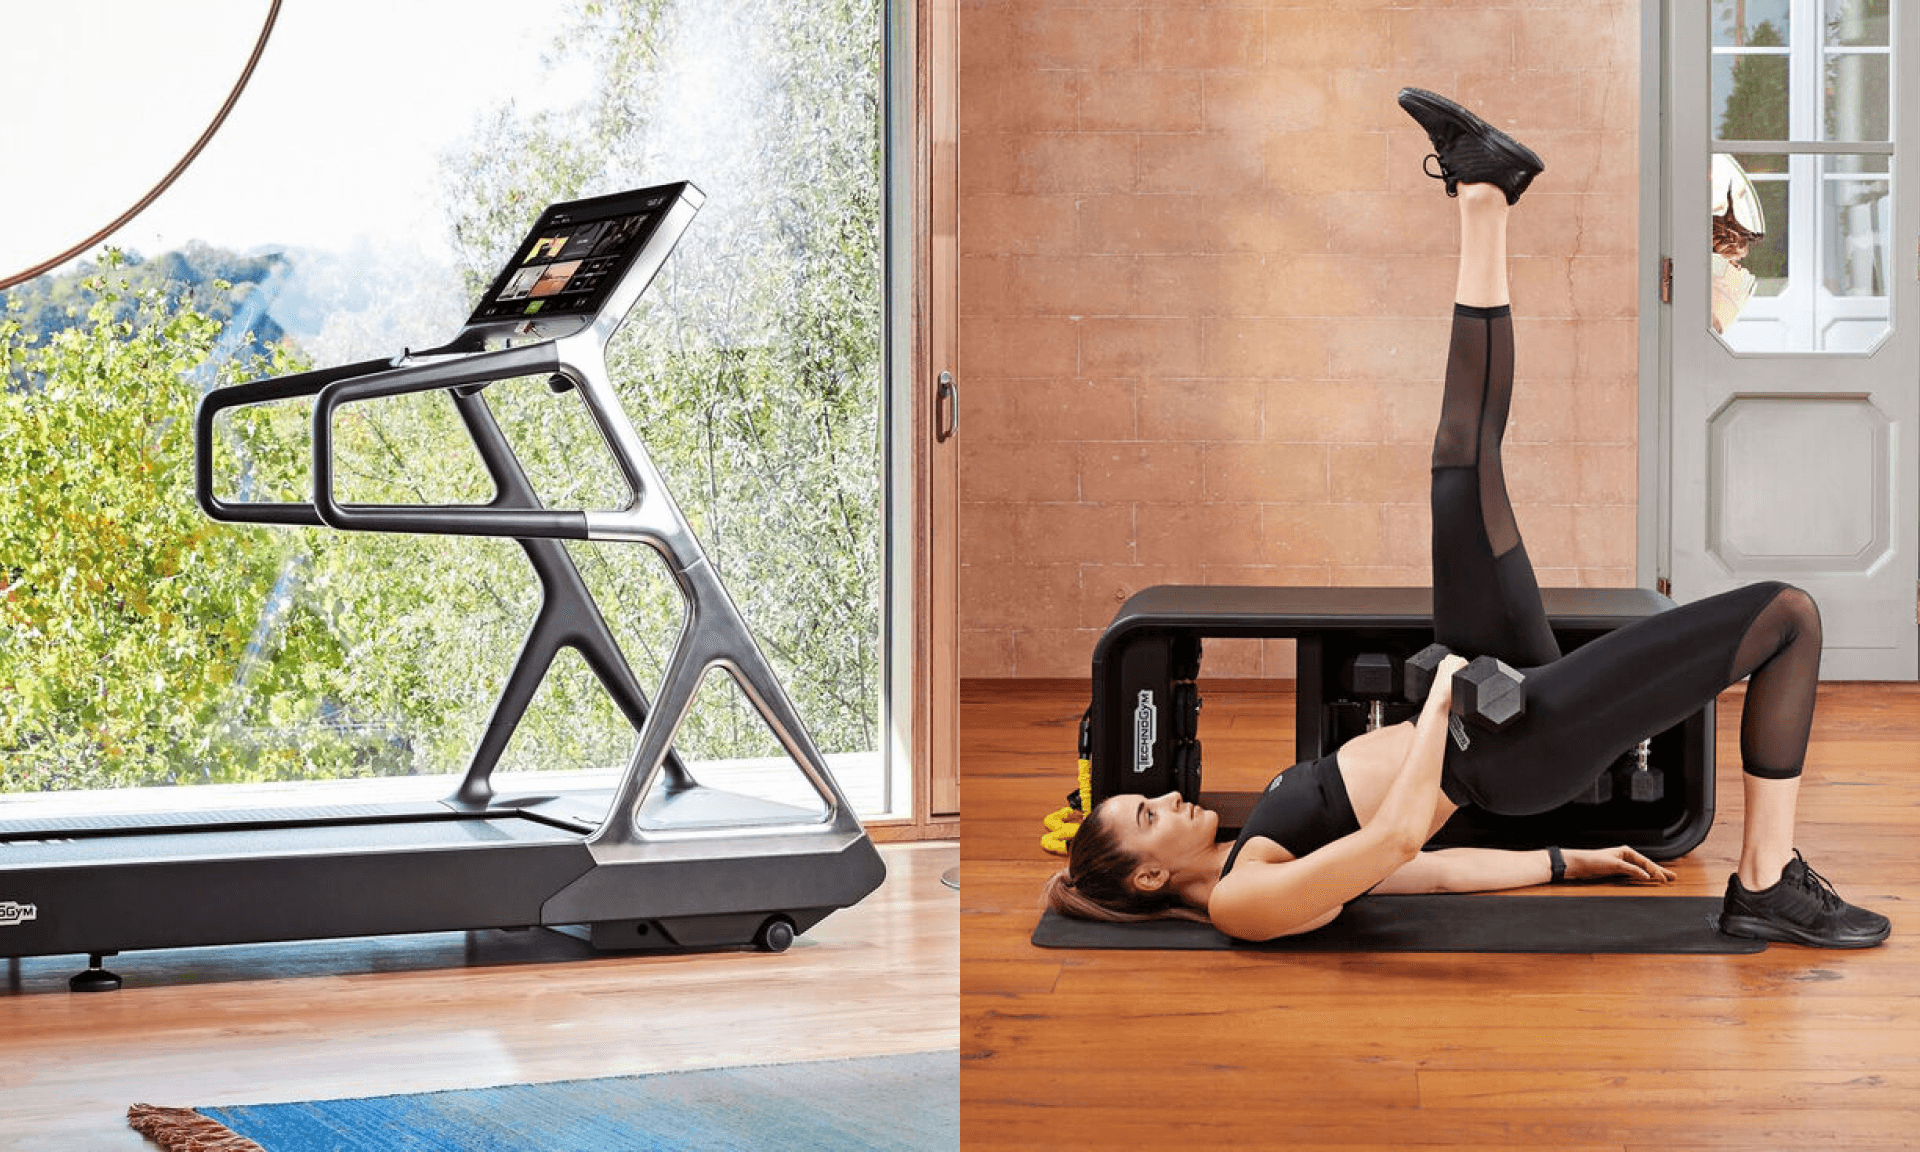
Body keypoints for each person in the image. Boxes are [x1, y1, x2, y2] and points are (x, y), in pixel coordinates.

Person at [1044, 88, 1890, 950]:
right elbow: (1398, 836)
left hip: (1480, 714)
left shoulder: (1247, 853)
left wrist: (1568, 863)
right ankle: (1765, 880)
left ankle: (1485, 193)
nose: (1164, 796)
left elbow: (1426, 873)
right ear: (1149, 874)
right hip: (1507, 747)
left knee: (1461, 464)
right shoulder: (1240, 903)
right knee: (1788, 615)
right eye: (1146, 814)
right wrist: (1445, 705)